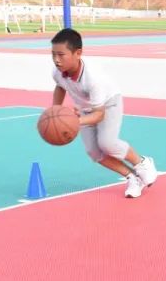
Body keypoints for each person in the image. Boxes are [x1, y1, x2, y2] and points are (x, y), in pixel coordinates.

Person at [50, 28, 157, 198]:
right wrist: (55, 110)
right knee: (94, 152)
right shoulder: (57, 72)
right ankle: (132, 178)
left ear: (78, 53)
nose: (56, 60)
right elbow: (60, 86)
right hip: (86, 109)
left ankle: (142, 162)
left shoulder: (93, 78)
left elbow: (99, 114)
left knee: (107, 143)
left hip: (108, 104)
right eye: (53, 54)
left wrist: (74, 121)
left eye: (61, 55)